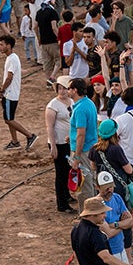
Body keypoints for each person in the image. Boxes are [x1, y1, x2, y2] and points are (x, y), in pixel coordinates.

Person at [0, 35, 38, 151]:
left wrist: (2, 89)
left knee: (9, 119)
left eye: (2, 44)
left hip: (10, 94)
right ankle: (15, 141)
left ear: (8, 46)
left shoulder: (13, 59)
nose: (0, 47)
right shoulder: (10, 58)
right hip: (8, 93)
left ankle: (30, 136)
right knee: (9, 118)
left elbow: (9, 78)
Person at [46, 76, 76, 213]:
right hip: (59, 142)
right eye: (60, 88)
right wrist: (53, 145)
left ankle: (66, 195)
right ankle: (62, 203)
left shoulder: (71, 102)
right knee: (61, 173)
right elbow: (50, 127)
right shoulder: (53, 105)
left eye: (64, 88)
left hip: (69, 141)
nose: (62, 91)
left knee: (68, 170)